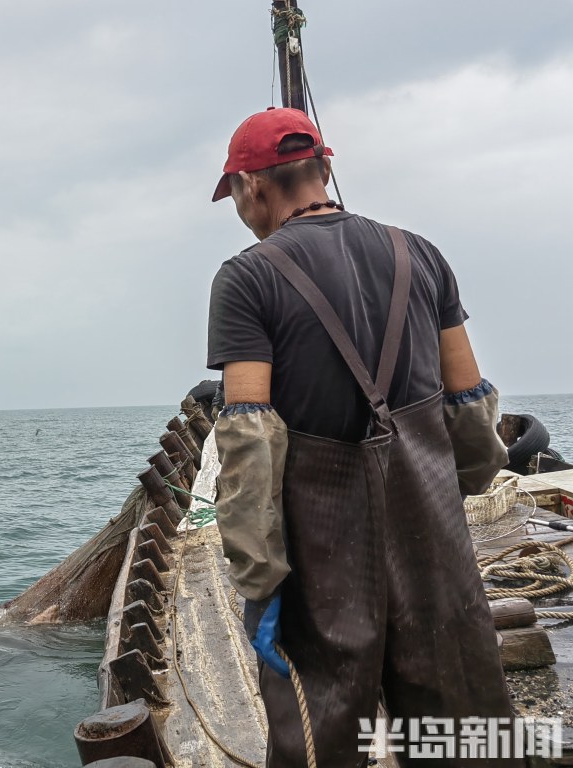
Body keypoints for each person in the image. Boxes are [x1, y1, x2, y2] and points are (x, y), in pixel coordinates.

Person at [207, 107, 518, 767]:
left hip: (322, 549)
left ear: (254, 185)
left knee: (319, 729)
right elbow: (470, 414)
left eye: (233, 193)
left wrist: (261, 578)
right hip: (431, 534)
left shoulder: (247, 278)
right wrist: (438, 495)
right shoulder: (420, 254)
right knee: (462, 725)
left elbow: (249, 442)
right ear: (324, 170)